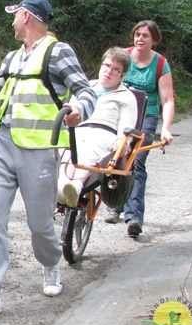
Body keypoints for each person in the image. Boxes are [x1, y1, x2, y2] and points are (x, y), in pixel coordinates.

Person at [0, 0, 97, 320]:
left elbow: (86, 92)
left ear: (27, 16)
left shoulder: (57, 52)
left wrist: (78, 110)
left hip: (39, 149)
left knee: (39, 224)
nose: (11, 21)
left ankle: (50, 265)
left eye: (14, 15)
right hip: (3, 145)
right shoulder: (12, 57)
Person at [104, 20, 175, 236]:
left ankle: (133, 217)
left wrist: (166, 128)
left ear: (154, 39)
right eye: (137, 34)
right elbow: (107, 81)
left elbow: (167, 99)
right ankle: (114, 206)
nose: (139, 39)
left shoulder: (161, 64)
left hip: (147, 115)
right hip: (122, 111)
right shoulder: (124, 57)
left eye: (145, 35)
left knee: (136, 163)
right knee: (116, 157)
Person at [57, 47, 138, 208]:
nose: (109, 71)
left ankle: (76, 185)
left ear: (122, 75)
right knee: (68, 146)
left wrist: (123, 142)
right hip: (79, 128)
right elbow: (72, 112)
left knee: (92, 146)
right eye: (107, 65)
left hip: (105, 132)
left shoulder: (126, 97)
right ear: (101, 66)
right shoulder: (86, 87)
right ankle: (64, 186)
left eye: (116, 69)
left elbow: (126, 125)